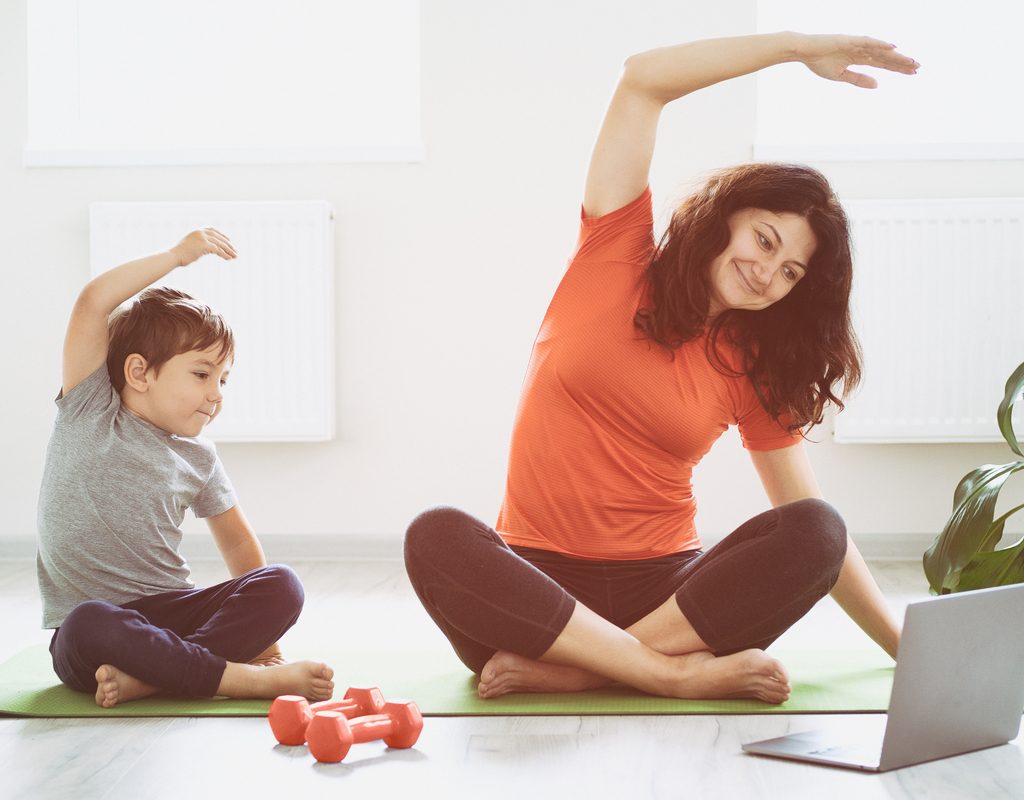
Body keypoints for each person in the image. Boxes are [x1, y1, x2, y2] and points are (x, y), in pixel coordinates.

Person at [404, 32, 919, 703]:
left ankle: (587, 670)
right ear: (727, 219)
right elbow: (643, 80)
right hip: (538, 591)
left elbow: (808, 521)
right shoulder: (614, 250)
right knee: (436, 534)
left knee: (818, 529)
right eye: (765, 239)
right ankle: (664, 674)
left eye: (791, 271)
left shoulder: (754, 363)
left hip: (670, 597)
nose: (766, 271)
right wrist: (794, 50)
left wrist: (904, 645)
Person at [37, 228, 334, 708]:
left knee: (282, 585)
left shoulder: (200, 458)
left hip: (175, 615)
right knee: (88, 621)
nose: (216, 393)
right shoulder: (90, 409)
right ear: (140, 372)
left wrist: (268, 643)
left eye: (222, 379)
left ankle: (158, 680)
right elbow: (93, 302)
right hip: (98, 633)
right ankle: (239, 681)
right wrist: (177, 256)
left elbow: (237, 542)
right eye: (201, 374)